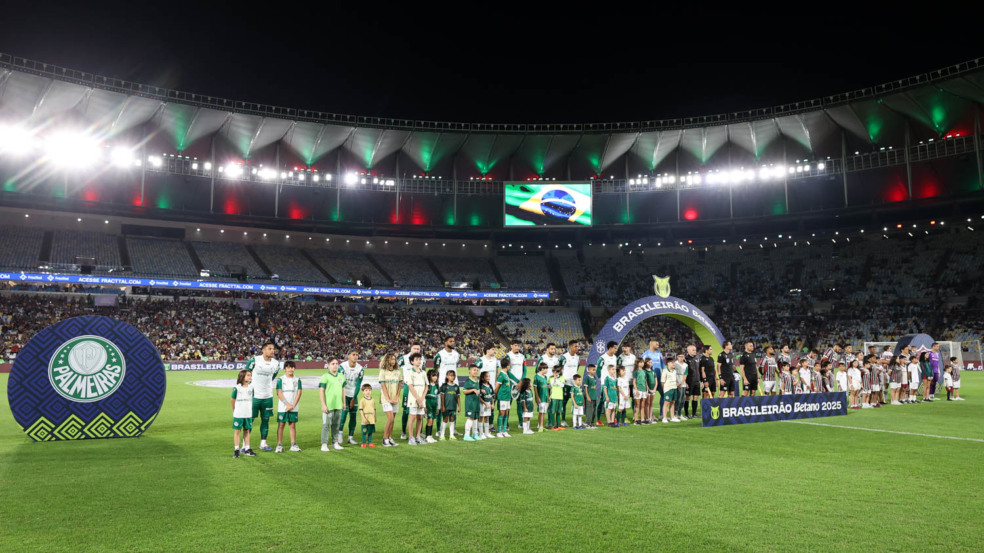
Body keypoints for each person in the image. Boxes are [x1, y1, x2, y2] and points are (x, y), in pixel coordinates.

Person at [245, 341, 281, 451]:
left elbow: (273, 376)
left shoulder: (276, 363)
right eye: (269, 348)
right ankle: (245, 445)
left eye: (273, 349)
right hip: (254, 395)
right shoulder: (254, 360)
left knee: (265, 420)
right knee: (250, 420)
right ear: (263, 350)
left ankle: (263, 443)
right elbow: (245, 373)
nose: (272, 351)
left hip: (268, 396)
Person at [337, 351, 365, 446]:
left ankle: (350, 438)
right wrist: (342, 397)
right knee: (343, 415)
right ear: (348, 356)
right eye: (353, 355)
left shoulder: (360, 369)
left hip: (353, 394)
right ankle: (339, 434)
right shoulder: (342, 367)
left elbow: (358, 384)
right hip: (344, 393)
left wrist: (354, 398)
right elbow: (340, 382)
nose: (355, 356)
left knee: (353, 416)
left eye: (357, 355)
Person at [274, 360, 302, 453]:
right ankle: (279, 445)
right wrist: (287, 404)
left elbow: (299, 393)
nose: (290, 369)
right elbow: (279, 393)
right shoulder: (281, 379)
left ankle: (293, 444)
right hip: (283, 406)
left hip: (294, 406)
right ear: (285, 369)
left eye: (292, 367)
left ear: (294, 368)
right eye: (288, 367)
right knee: (281, 424)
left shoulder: (297, 379)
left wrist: (293, 405)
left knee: (292, 425)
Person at [319, 358, 346, 451]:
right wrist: (323, 405)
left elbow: (343, 390)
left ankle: (335, 443)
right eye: (333, 364)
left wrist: (344, 402)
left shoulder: (341, 376)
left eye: (336, 363)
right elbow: (321, 391)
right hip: (328, 405)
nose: (335, 365)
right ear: (328, 365)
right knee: (326, 425)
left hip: (338, 405)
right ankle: (324, 444)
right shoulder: (325, 376)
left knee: (336, 425)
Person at [475, 343, 502, 434]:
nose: (494, 351)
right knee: (481, 408)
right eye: (493, 349)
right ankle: (478, 427)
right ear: (488, 350)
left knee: (492, 408)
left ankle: (490, 426)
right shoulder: (481, 360)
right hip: (483, 388)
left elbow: (497, 373)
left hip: (492, 388)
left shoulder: (495, 361)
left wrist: (496, 384)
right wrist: (478, 385)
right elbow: (473, 370)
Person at [398, 342, 422, 440]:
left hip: (418, 387)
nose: (417, 350)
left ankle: (419, 433)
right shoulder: (403, 359)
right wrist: (400, 378)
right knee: (406, 410)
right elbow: (395, 367)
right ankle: (404, 431)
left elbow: (423, 369)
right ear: (410, 349)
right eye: (415, 348)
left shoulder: (422, 359)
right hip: (408, 387)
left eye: (418, 349)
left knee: (419, 409)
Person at [378, 352, 402, 447]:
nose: (393, 361)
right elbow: (383, 386)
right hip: (386, 398)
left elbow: (400, 385)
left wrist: (396, 397)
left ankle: (390, 438)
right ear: (387, 360)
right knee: (390, 418)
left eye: (394, 359)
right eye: (391, 359)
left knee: (393, 419)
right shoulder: (383, 372)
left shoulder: (398, 372)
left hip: (395, 398)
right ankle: (385, 438)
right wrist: (387, 398)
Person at [404, 352, 428, 445]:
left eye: (420, 359)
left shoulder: (423, 372)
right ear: (412, 361)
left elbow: (426, 386)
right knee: (412, 417)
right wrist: (418, 399)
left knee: (420, 417)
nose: (419, 361)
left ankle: (418, 436)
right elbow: (410, 386)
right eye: (417, 360)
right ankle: (411, 437)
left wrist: (422, 398)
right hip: (413, 398)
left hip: (422, 398)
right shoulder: (410, 373)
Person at [503, 340, 526, 430]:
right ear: (511, 346)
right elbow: (507, 370)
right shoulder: (508, 356)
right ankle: (506, 424)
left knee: (520, 404)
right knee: (508, 404)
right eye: (515, 345)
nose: (517, 347)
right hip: (511, 383)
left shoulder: (522, 356)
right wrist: (516, 381)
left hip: (520, 383)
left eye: (518, 346)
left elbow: (525, 369)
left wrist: (522, 380)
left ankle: (521, 423)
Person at [231, 369, 255, 458]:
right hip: (239, 413)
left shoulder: (251, 388)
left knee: (247, 430)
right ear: (242, 377)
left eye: (250, 375)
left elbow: (251, 399)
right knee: (237, 431)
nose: (250, 377)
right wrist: (234, 411)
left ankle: (247, 448)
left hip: (248, 413)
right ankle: (236, 449)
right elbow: (232, 400)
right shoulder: (237, 388)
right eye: (248, 375)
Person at [640, 340, 665, 423]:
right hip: (650, 379)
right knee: (649, 398)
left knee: (664, 395)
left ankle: (661, 414)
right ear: (651, 344)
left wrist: (665, 375)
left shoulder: (659, 354)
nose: (658, 344)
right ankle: (651, 415)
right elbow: (642, 366)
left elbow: (663, 365)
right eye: (656, 343)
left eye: (658, 343)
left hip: (659, 378)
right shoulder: (646, 354)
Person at [597, 341, 619, 424]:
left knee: (613, 400)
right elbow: (598, 369)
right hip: (605, 383)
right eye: (615, 348)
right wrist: (600, 378)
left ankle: (613, 419)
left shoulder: (615, 358)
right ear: (610, 348)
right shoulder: (603, 358)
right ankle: (598, 419)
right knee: (602, 401)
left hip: (613, 382)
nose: (616, 349)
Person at [494, 363, 519, 437]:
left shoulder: (506, 374)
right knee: (501, 413)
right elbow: (497, 386)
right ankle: (499, 431)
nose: (510, 366)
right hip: (502, 397)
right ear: (507, 366)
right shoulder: (501, 375)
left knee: (506, 413)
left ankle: (504, 431)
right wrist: (495, 396)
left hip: (508, 397)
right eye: (509, 365)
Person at [559, 340, 581, 427]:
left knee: (577, 401)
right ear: (570, 347)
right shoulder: (564, 357)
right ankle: (563, 420)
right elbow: (560, 368)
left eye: (577, 346)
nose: (577, 348)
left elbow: (577, 367)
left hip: (574, 384)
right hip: (566, 384)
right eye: (575, 346)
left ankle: (577, 419)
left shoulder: (577, 358)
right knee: (564, 402)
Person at [462, 365, 483, 441]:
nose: (476, 372)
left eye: (477, 370)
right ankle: (466, 435)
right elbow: (464, 391)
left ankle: (475, 434)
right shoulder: (468, 381)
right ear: (469, 371)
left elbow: (477, 391)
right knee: (470, 418)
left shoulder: (477, 380)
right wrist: (473, 390)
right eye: (474, 370)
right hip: (470, 403)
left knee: (475, 418)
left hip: (476, 403)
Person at [438, 370, 460, 440]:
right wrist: (443, 406)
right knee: (445, 420)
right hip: (446, 406)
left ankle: (451, 435)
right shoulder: (444, 386)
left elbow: (458, 397)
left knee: (452, 420)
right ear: (447, 376)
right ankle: (442, 435)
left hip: (453, 406)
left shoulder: (456, 387)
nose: (452, 377)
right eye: (450, 375)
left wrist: (459, 407)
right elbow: (442, 397)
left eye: (453, 375)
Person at [661, 354, 682, 423]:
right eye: (672, 363)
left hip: (674, 388)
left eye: (674, 363)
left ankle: (672, 417)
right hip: (668, 389)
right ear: (668, 363)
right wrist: (665, 389)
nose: (674, 364)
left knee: (673, 403)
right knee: (666, 403)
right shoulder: (665, 371)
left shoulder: (674, 371)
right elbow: (662, 382)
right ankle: (664, 418)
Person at [424, 369, 440, 443]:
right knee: (429, 421)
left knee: (432, 420)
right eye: (433, 376)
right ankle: (427, 436)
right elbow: (424, 396)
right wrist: (424, 406)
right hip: (429, 403)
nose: (435, 377)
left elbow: (438, 396)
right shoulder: (428, 386)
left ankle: (430, 436)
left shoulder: (437, 385)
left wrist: (438, 407)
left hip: (435, 404)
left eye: (436, 376)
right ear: (429, 376)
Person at [358, 383, 377, 448]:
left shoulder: (373, 400)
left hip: (371, 418)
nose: (368, 392)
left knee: (370, 431)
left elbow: (374, 409)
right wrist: (363, 418)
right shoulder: (362, 400)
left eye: (369, 390)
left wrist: (375, 417)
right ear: (363, 392)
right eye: (366, 390)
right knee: (364, 431)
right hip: (365, 418)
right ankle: (363, 443)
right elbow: (361, 410)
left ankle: (370, 442)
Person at [547, 366, 566, 431]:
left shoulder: (562, 378)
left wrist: (556, 379)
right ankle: (553, 426)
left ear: (559, 372)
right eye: (554, 372)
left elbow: (562, 385)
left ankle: (558, 425)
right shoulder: (551, 378)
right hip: (553, 397)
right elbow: (550, 386)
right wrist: (554, 379)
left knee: (558, 411)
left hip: (560, 397)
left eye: (557, 372)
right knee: (553, 411)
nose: (555, 373)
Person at [534, 362, 550, 432]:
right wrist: (537, 397)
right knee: (541, 412)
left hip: (545, 397)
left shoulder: (545, 377)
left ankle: (541, 425)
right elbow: (535, 388)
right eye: (546, 369)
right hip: (540, 397)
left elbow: (546, 387)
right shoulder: (536, 377)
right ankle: (540, 426)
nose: (547, 370)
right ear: (542, 369)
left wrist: (548, 396)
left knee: (544, 412)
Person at [479, 371, 495, 438]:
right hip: (482, 404)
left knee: (487, 418)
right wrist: (485, 403)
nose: (488, 378)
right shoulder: (481, 386)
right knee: (481, 418)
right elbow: (479, 397)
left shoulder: (490, 386)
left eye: (489, 376)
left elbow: (492, 396)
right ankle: (481, 433)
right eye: (486, 376)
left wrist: (492, 404)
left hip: (488, 404)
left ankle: (486, 432)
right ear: (483, 378)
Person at [583, 364, 599, 428]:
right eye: (593, 370)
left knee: (594, 410)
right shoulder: (587, 378)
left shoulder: (594, 377)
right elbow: (586, 388)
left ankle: (592, 423)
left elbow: (594, 388)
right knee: (589, 410)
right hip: (589, 397)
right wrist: (587, 396)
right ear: (589, 370)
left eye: (595, 370)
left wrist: (596, 396)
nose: (594, 371)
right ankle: (588, 423)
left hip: (594, 396)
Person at [633, 359, 649, 424]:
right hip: (638, 390)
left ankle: (642, 419)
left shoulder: (644, 371)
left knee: (642, 405)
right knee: (637, 405)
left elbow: (645, 381)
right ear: (637, 363)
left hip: (644, 390)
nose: (642, 364)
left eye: (643, 362)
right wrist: (636, 390)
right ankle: (636, 420)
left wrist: (647, 388)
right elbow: (634, 382)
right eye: (640, 362)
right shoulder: (636, 372)